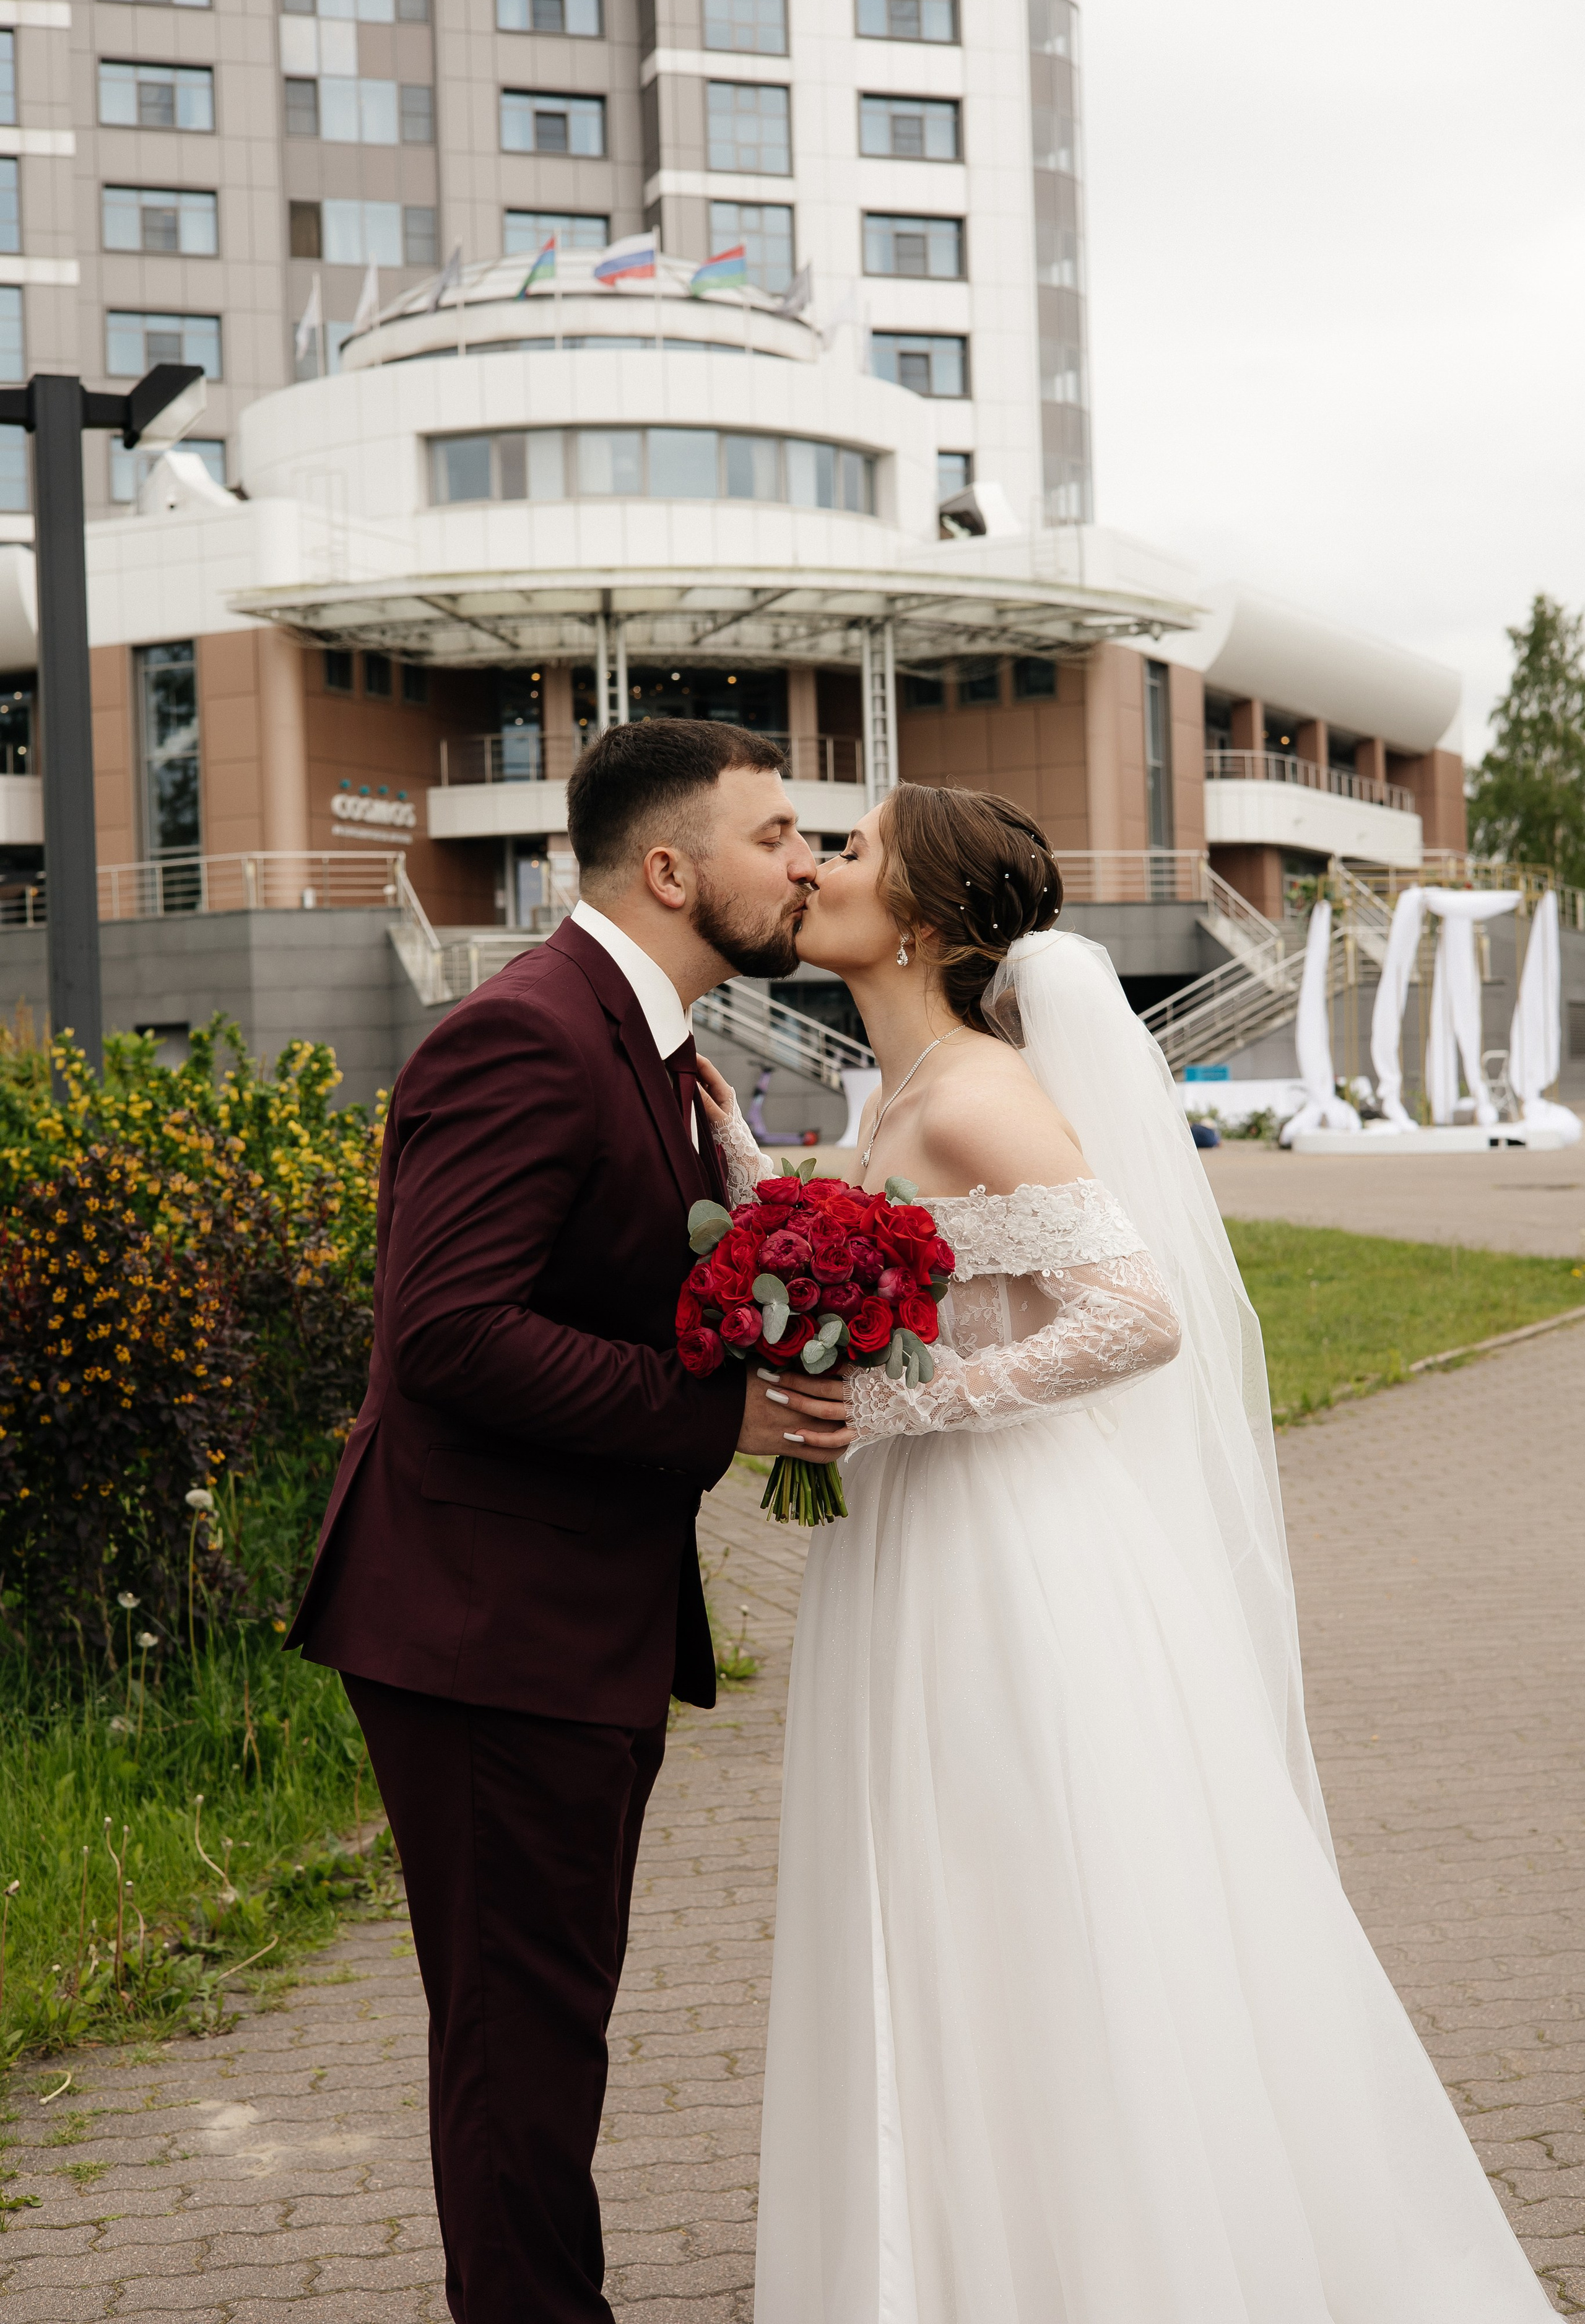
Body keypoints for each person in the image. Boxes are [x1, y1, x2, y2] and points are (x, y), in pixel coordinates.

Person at [701, 782, 1552, 2322]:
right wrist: (752, 1180)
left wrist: (912, 1412)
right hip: (903, 1549)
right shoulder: (889, 1098)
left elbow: (1135, 1313)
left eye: (855, 854)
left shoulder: (974, 1091)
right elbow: (896, 1263)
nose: (820, 868)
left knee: (1020, 1894)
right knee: (923, 1891)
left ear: (924, 924)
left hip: (1006, 1555)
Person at [285, 720, 852, 2324]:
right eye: (778, 835)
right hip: (478, 1630)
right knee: (520, 2048)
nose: (805, 863)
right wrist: (721, 1414)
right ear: (671, 869)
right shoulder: (526, 1035)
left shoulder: (658, 1050)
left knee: (550, 2034)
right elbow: (446, 1334)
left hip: (566, 1621)